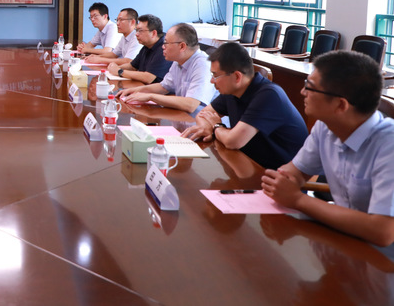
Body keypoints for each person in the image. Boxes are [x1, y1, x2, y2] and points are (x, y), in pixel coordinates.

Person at [262, 51, 394, 247]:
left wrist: (297, 200)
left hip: (382, 255)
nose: (302, 92)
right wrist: (283, 182)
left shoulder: (389, 144)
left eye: (310, 87)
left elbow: (382, 232)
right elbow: (294, 173)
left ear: (341, 105)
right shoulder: (325, 127)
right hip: (344, 239)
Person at [181, 41, 307, 170]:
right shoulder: (232, 90)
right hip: (249, 163)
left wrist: (216, 127)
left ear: (237, 76)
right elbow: (203, 114)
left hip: (280, 173)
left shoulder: (269, 95)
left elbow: (233, 142)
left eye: (215, 75)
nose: (212, 81)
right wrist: (208, 128)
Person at [118, 23, 216, 113]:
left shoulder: (203, 64)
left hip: (200, 120)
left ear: (182, 46)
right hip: (183, 116)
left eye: (166, 43)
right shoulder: (178, 61)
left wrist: (150, 97)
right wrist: (135, 90)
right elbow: (163, 87)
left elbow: (191, 104)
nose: (163, 47)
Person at [108, 14, 172, 84]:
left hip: (158, 89)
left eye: (140, 31)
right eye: (136, 30)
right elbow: (132, 66)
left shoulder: (164, 47)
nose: (136, 34)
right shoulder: (147, 45)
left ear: (153, 33)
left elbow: (149, 77)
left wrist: (120, 71)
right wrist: (115, 68)